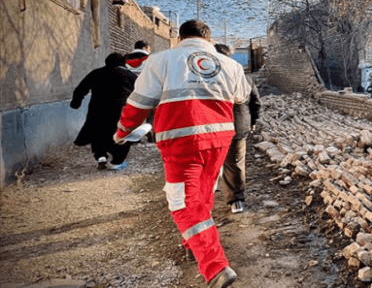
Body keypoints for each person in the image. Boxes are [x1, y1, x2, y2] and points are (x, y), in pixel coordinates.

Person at [114, 20, 250, 288]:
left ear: (180, 37)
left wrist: (121, 132)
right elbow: (240, 97)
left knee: (183, 203)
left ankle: (216, 267)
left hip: (182, 142)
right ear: (209, 40)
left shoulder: (161, 60)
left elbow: (138, 104)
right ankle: (192, 245)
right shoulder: (231, 65)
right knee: (200, 195)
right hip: (219, 140)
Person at [214, 44, 261, 215]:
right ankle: (235, 199)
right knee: (235, 162)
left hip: (212, 126)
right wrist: (253, 121)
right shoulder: (244, 77)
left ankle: (218, 189)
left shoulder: (204, 78)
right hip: (237, 125)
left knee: (214, 158)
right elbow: (256, 102)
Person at [71, 53, 137, 171]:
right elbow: (140, 92)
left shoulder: (96, 73)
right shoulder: (129, 75)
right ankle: (117, 162)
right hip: (120, 111)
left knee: (98, 133)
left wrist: (76, 102)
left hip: (97, 110)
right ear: (122, 63)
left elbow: (81, 88)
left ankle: (101, 156)